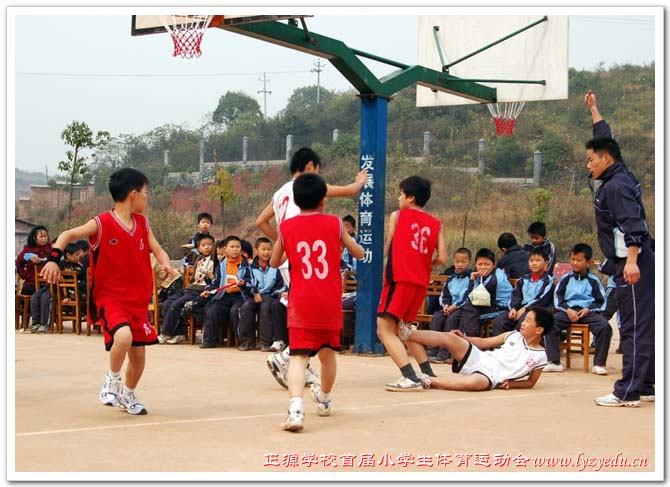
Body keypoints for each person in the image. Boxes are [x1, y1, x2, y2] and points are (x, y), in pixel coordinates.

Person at [40, 168, 173, 415]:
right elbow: (68, 234)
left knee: (139, 356)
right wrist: (53, 259)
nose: (147, 197)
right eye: (145, 193)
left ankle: (128, 394)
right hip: (110, 297)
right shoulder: (101, 223)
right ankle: (112, 379)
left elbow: (158, 249)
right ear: (133, 194)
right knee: (123, 337)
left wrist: (165, 262)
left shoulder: (143, 223)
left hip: (138, 300)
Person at [257, 147, 366, 389]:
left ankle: (297, 362)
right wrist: (360, 181)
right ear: (309, 167)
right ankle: (287, 357)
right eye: (318, 171)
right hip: (310, 263)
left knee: (302, 314)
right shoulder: (309, 186)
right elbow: (349, 191)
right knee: (314, 314)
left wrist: (284, 244)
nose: (319, 176)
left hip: (292, 260)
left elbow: (260, 221)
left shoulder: (279, 193)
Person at [270, 173, 364, 431]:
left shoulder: (286, 226)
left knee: (299, 358)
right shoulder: (335, 224)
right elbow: (359, 252)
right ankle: (323, 398)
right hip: (329, 301)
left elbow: (275, 262)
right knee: (327, 354)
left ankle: (296, 410)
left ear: (296, 201)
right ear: (323, 200)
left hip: (302, 302)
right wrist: (344, 246)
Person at [585, 91, 655, 407]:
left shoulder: (617, 187)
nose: (588, 165)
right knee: (642, 323)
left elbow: (633, 226)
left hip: (634, 264)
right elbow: (606, 138)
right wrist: (594, 110)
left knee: (633, 326)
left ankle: (628, 390)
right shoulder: (618, 170)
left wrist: (632, 261)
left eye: (591, 160)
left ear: (606, 160)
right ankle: (647, 383)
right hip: (630, 261)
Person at [376, 176, 448, 392]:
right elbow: (443, 258)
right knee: (404, 330)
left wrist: (385, 274)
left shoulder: (398, 216)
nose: (398, 197)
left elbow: (388, 249)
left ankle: (409, 377)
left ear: (411, 197)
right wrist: (426, 262)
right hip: (420, 282)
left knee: (384, 329)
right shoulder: (436, 223)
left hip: (400, 278)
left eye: (401, 193)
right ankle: (427, 373)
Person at [399, 307, 553, 391]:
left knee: (476, 384)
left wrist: (513, 384)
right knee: (452, 338)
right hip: (480, 357)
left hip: (490, 376)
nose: (522, 323)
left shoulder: (541, 356)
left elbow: (531, 382)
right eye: (524, 320)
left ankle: (427, 379)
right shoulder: (512, 335)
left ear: (539, 330)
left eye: (527, 321)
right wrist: (464, 338)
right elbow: (483, 342)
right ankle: (406, 332)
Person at [543, 243, 612, 375]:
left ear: (589, 262)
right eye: (573, 259)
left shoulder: (594, 280)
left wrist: (588, 309)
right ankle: (554, 361)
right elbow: (558, 299)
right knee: (549, 323)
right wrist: (568, 310)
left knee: (605, 327)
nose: (575, 263)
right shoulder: (565, 279)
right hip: (568, 311)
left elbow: (601, 301)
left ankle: (599, 364)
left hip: (587, 312)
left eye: (579, 260)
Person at [157, 233, 215, 345]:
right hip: (189, 288)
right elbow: (183, 249)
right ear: (199, 248)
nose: (207, 247)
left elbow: (216, 245)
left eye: (209, 245)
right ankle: (179, 333)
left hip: (199, 290)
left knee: (176, 305)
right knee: (167, 303)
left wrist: (206, 245)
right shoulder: (197, 257)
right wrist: (195, 245)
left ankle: (166, 333)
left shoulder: (214, 259)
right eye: (204, 245)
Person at [491, 248, 555, 336]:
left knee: (524, 322)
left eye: (538, 260)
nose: (534, 263)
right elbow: (516, 295)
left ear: (546, 264)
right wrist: (513, 308)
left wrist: (525, 309)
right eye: (531, 260)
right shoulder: (523, 279)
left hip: (537, 311)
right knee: (500, 320)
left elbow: (542, 300)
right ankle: (500, 348)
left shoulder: (548, 281)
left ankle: (519, 347)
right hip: (520, 310)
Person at [237, 237, 286, 351]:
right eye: (263, 249)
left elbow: (280, 285)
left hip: (269, 296)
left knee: (266, 307)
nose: (266, 252)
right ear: (256, 251)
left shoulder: (275, 266)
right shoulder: (249, 266)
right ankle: (246, 341)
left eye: (269, 249)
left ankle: (266, 342)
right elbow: (246, 280)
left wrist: (277, 294)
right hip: (252, 295)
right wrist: (255, 292)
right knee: (246, 307)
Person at [426, 248, 472, 364]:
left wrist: (455, 306)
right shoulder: (451, 278)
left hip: (462, 308)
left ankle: (444, 353)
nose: (460, 264)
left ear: (469, 263)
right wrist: (446, 305)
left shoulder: (471, 278)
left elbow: (469, 296)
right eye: (457, 261)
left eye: (463, 262)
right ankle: (432, 349)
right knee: (437, 317)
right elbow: (444, 295)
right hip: (449, 308)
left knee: (451, 320)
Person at [200, 235, 246, 348]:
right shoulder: (222, 265)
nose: (235, 249)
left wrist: (244, 283)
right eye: (232, 247)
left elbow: (251, 281)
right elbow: (216, 282)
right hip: (225, 295)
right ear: (226, 249)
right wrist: (209, 291)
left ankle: (242, 341)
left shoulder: (246, 264)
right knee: (212, 310)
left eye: (238, 247)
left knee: (236, 311)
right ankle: (210, 340)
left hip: (241, 296)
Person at [458, 248, 514, 337]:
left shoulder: (495, 279)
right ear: (475, 265)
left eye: (487, 264)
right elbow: (470, 296)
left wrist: (472, 281)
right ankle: (464, 339)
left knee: (469, 310)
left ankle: (470, 340)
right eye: (480, 264)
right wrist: (473, 279)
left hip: (501, 308)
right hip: (487, 303)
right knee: (461, 312)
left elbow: (474, 298)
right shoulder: (480, 275)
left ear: (494, 265)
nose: (483, 267)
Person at [29, 242, 82, 333]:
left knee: (46, 298)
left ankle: (45, 324)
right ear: (68, 255)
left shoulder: (77, 267)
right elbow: (46, 264)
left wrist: (67, 296)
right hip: (49, 286)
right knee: (35, 297)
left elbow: (79, 281)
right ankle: (36, 323)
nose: (78, 258)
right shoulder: (58, 263)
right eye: (77, 255)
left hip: (61, 291)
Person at [16, 225, 52, 295]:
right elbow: (19, 263)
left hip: (48, 282)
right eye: (41, 237)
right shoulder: (28, 249)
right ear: (34, 238)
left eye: (45, 236)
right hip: (31, 282)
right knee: (28, 290)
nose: (44, 238)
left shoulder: (51, 248)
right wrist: (25, 275)